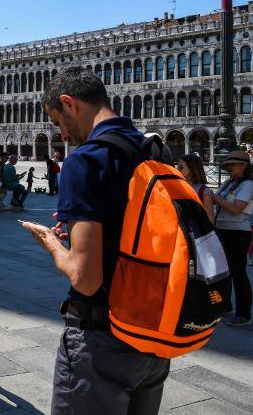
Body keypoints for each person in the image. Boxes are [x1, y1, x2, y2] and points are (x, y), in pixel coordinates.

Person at [21, 66, 170, 414]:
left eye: (58, 121)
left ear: (69, 103)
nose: (62, 134)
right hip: (153, 333)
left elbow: (85, 280)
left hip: (103, 337)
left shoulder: (85, 161)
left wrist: (53, 244)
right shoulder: (151, 150)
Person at [207, 150, 253, 327]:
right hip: (222, 230)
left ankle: (243, 313)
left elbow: (236, 209)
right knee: (222, 272)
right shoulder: (229, 182)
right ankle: (225, 306)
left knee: (238, 274)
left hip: (238, 233)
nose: (229, 168)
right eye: (228, 165)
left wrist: (214, 196)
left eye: (232, 164)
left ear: (243, 166)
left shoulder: (248, 185)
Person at [176, 154, 215, 223]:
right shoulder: (176, 188)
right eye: (177, 167)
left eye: (181, 167)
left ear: (192, 169)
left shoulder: (204, 192)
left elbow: (210, 221)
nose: (177, 170)